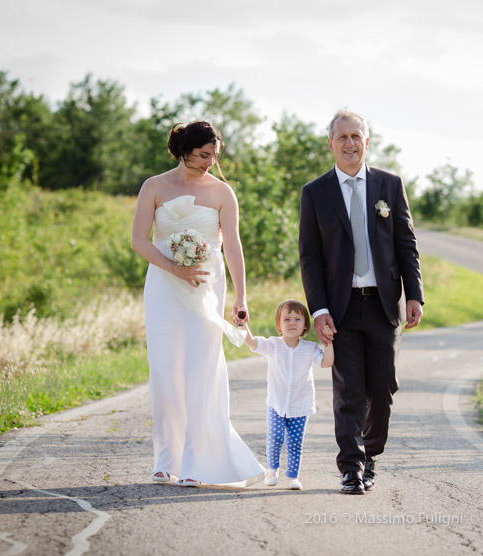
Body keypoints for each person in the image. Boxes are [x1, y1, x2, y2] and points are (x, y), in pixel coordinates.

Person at [131, 120, 265, 488]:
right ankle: (165, 459)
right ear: (182, 150)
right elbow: (139, 242)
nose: (209, 162)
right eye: (203, 155)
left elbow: (233, 246)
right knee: (164, 369)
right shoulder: (154, 187)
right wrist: (175, 267)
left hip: (207, 286)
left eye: (213, 156)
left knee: (200, 369)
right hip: (163, 284)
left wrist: (241, 296)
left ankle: (195, 461)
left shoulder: (223, 193)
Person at [299, 109, 424, 495]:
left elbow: (406, 244)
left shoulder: (390, 185)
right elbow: (311, 257)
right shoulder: (315, 192)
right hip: (341, 308)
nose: (350, 143)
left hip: (385, 305)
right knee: (349, 389)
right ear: (331, 144)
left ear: (366, 142)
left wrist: (414, 294)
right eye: (342, 137)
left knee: (382, 388)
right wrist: (319, 310)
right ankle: (351, 468)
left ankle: (371, 455)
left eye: (356, 136)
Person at [236, 299, 335, 490]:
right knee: (275, 437)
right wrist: (243, 326)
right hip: (276, 403)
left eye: (297, 319)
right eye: (287, 319)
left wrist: (328, 342)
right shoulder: (273, 345)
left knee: (295, 442)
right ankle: (272, 471)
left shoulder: (310, 348)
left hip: (301, 404)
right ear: (279, 325)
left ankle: (293, 476)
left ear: (305, 325)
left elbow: (327, 362)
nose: (292, 323)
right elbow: (252, 343)